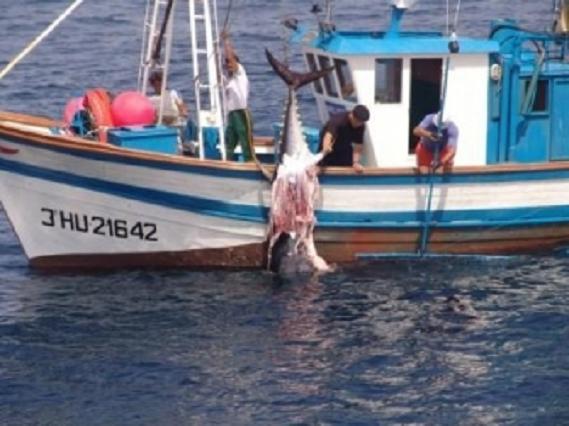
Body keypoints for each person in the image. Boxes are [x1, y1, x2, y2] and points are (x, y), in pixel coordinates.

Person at [221, 30, 254, 162]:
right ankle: (226, 163)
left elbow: (230, 57)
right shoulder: (229, 80)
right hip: (232, 115)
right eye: (226, 63)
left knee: (246, 144)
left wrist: (226, 41)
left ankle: (250, 164)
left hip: (241, 113)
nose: (228, 65)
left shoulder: (240, 72)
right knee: (229, 143)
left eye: (230, 62)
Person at [319, 104, 370, 173]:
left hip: (344, 148)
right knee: (322, 165)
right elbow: (328, 136)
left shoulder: (361, 126)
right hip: (330, 148)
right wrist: (326, 147)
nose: (358, 124)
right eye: (357, 121)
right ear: (352, 115)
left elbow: (358, 146)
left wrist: (355, 162)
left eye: (361, 122)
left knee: (351, 166)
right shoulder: (338, 120)